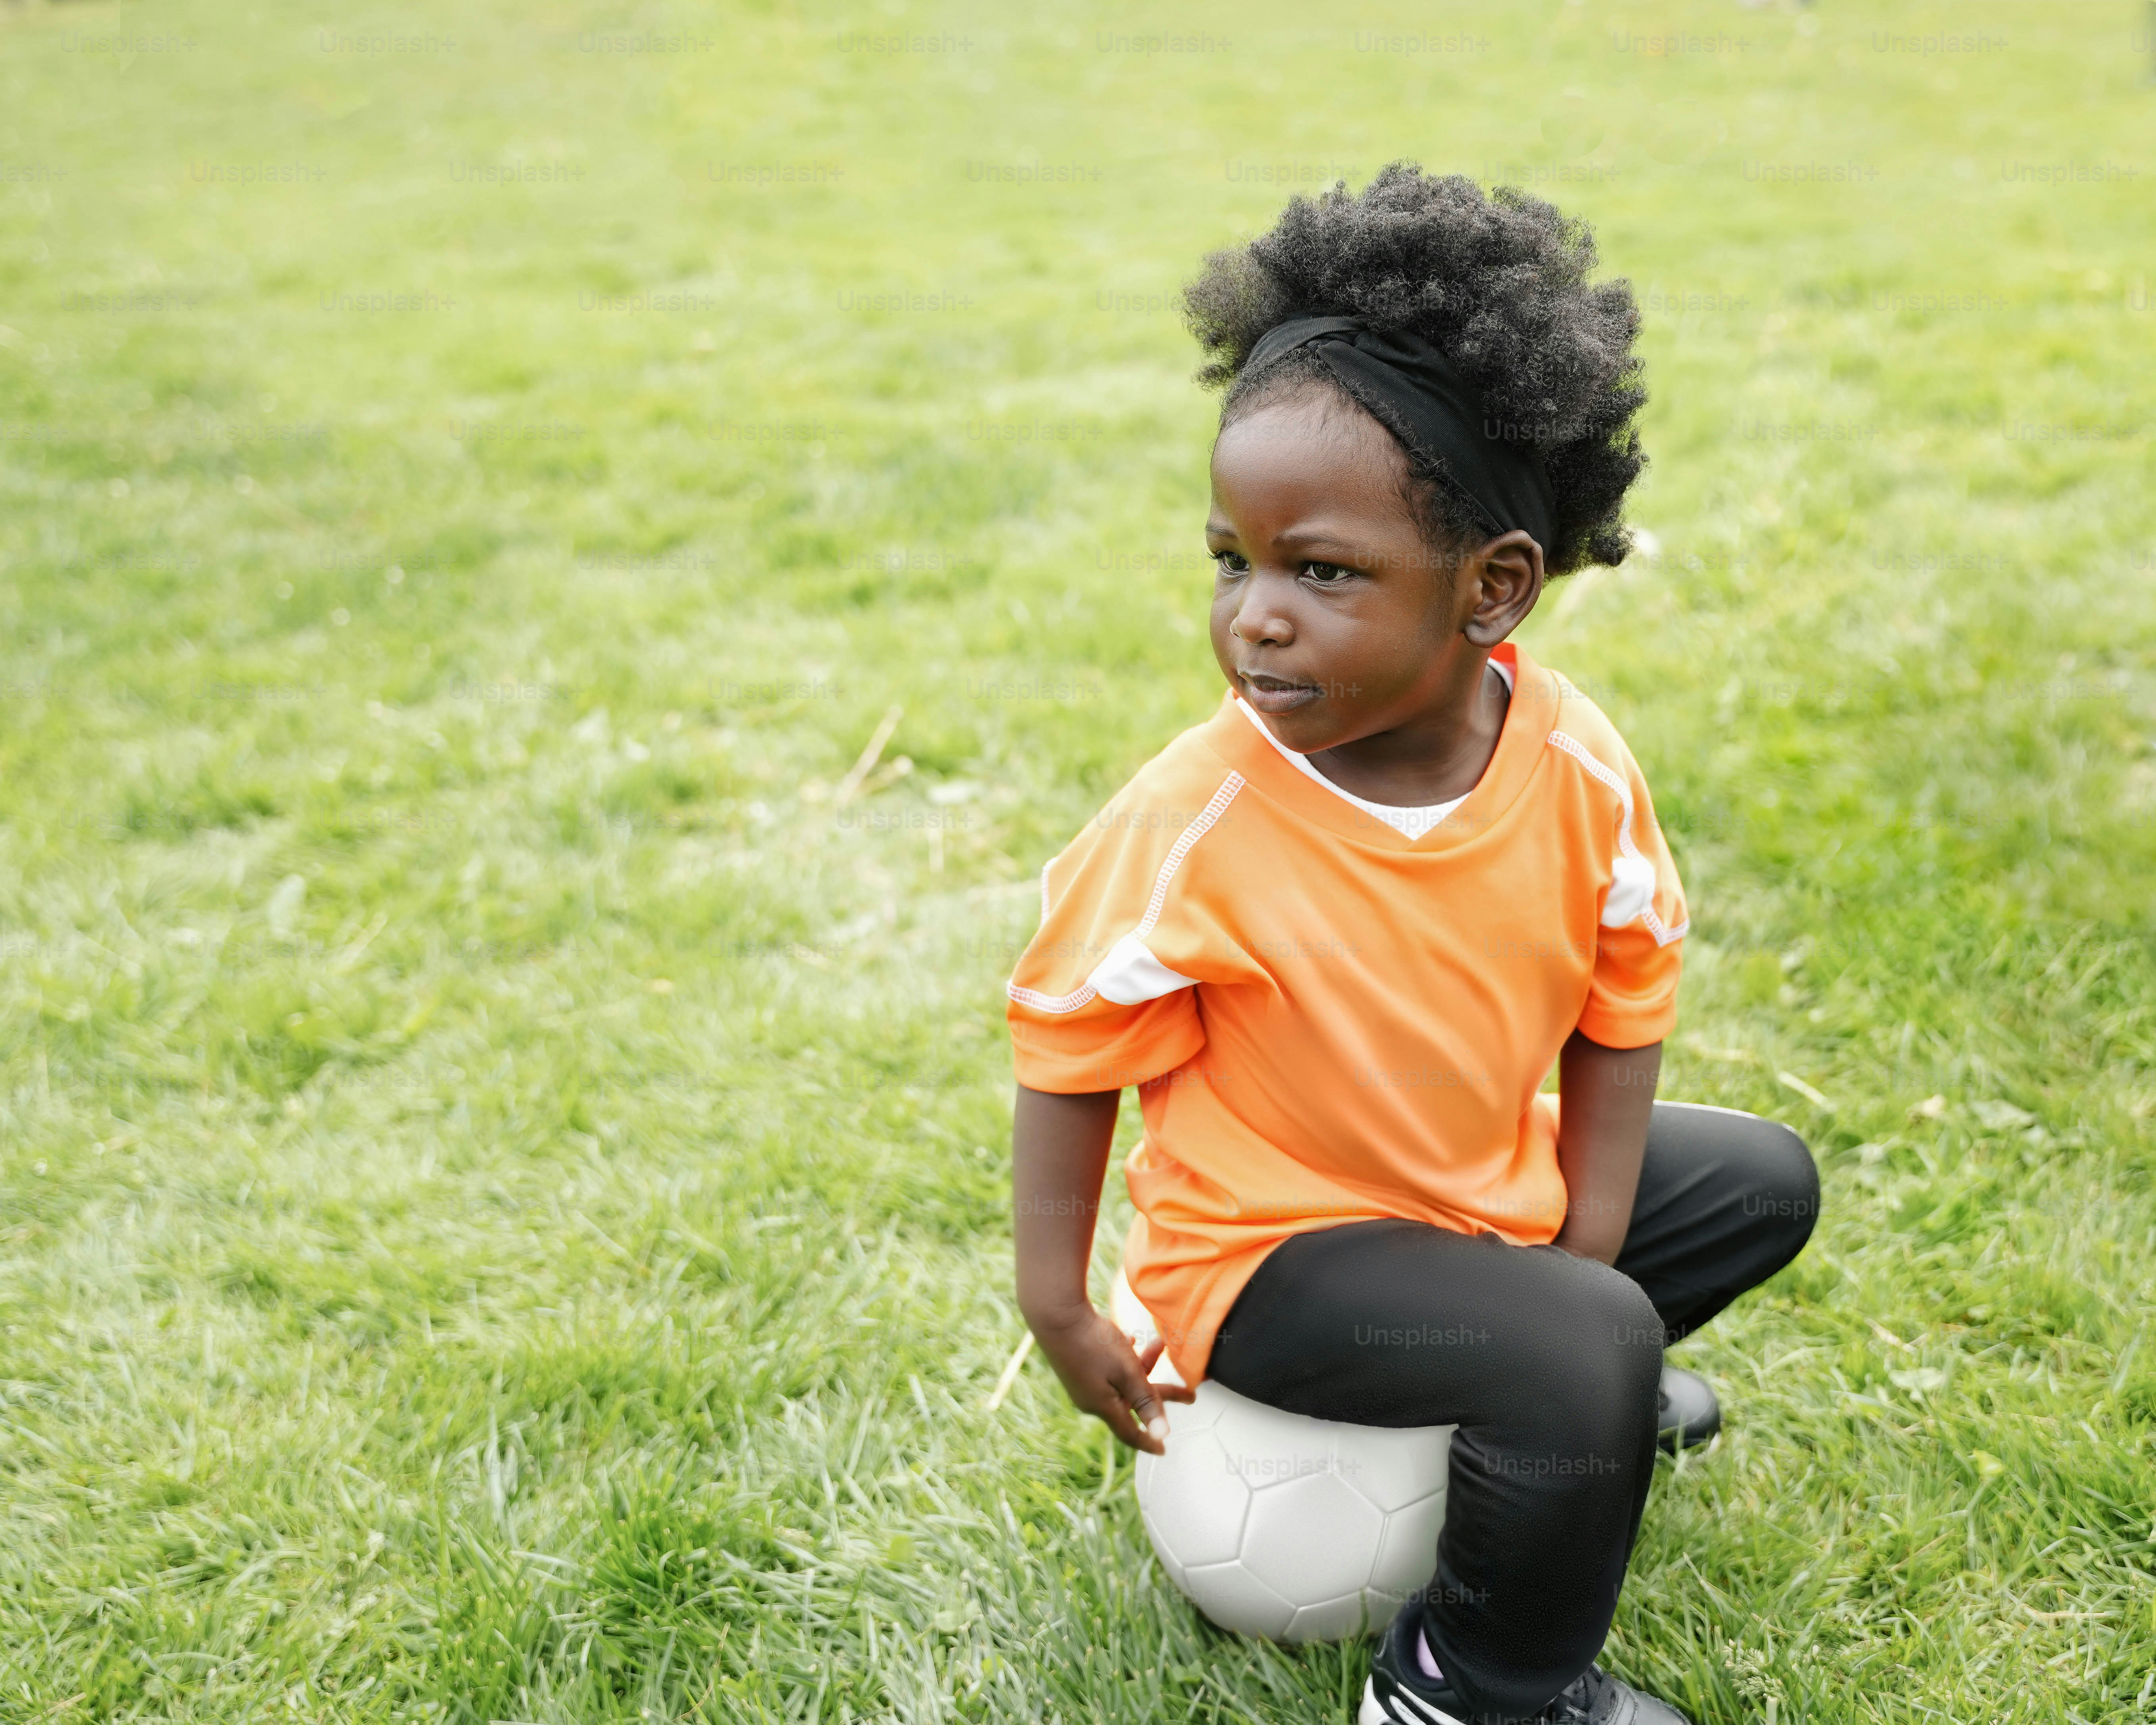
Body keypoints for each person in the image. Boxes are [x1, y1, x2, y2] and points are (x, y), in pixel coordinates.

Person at [1005, 167, 1819, 1725]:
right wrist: (1061, 1298)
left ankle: (1558, 1412)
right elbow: (1066, 1039)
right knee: (1582, 1339)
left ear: (1493, 589)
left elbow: (1624, 997)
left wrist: (1585, 1257)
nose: (1255, 615)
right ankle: (1470, 1689)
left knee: (1756, 1189)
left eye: (1322, 571)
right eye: (1232, 560)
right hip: (1271, 1264)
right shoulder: (1198, 813)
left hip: (1469, 1200)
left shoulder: (1574, 766)